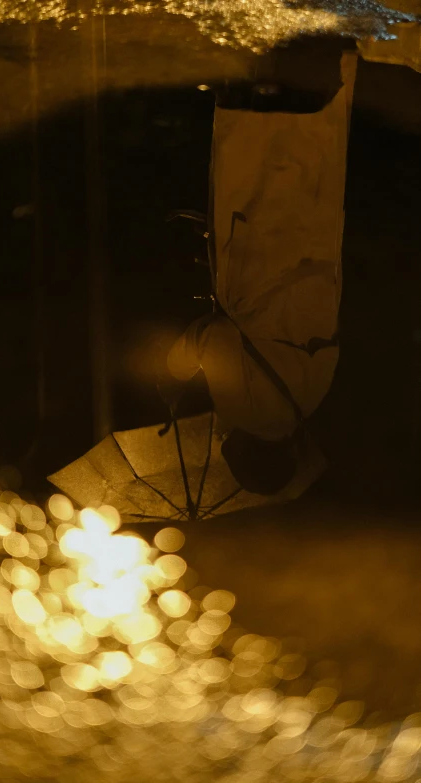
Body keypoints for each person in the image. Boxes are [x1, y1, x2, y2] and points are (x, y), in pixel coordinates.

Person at [162, 40, 357, 496]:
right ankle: (261, 48)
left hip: (314, 246)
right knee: (257, 155)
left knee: (306, 154)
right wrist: (176, 366)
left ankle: (313, 50)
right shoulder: (248, 413)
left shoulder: (309, 400)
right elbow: (215, 340)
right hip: (260, 259)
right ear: (242, 451)